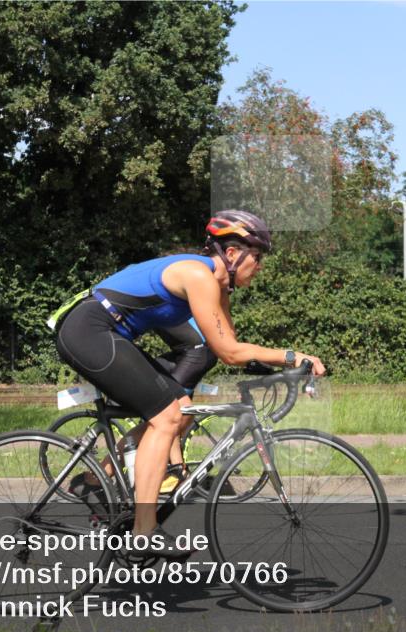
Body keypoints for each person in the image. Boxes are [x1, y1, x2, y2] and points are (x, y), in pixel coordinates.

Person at [52, 210, 325, 554]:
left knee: (182, 409)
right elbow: (228, 351)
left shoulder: (218, 285)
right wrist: (291, 356)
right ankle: (143, 531)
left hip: (108, 333)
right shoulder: (198, 275)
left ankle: (99, 484)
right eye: (256, 257)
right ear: (231, 253)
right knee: (166, 417)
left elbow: (229, 346)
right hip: (89, 330)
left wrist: (274, 371)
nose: (259, 265)